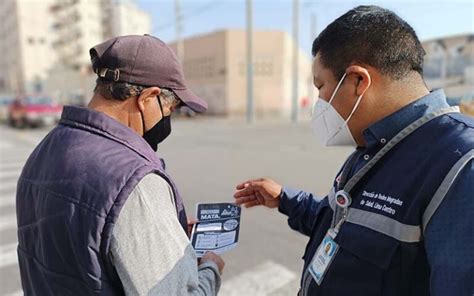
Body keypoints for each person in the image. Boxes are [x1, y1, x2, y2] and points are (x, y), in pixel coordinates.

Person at [234, 6, 473, 296]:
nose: (318, 100)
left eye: (320, 86)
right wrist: (284, 198)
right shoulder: (375, 144)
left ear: (358, 80)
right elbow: (343, 220)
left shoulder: (460, 164)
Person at [16, 35, 224, 295]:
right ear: (148, 98)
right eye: (170, 110)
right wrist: (210, 270)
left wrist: (161, 229)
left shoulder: (45, 149)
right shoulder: (135, 183)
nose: (169, 119)